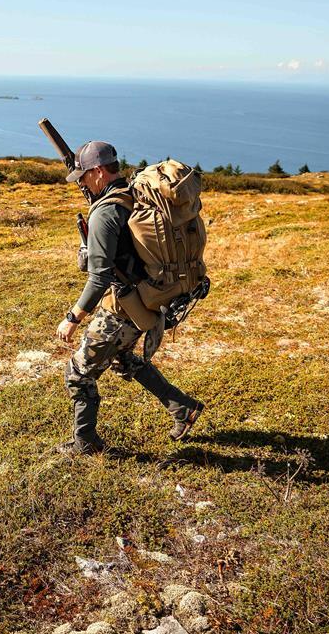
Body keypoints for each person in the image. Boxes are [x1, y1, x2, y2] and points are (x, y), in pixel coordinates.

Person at [55, 140, 204, 456]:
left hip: (122, 308)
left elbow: (99, 278)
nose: (82, 183)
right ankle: (183, 408)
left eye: (84, 177)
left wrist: (73, 317)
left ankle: (85, 443)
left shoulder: (105, 213)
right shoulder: (131, 194)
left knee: (78, 374)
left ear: (98, 172)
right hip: (146, 299)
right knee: (122, 359)